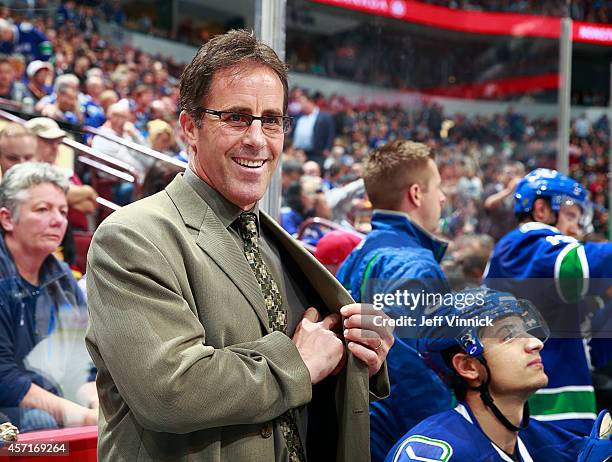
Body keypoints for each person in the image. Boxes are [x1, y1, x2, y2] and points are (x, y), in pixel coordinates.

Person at [86, 30, 392, 461]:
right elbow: (170, 390)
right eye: (235, 117)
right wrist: (298, 364)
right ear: (190, 128)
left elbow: (312, 358)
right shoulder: (133, 236)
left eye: (271, 119)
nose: (257, 138)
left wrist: (356, 351)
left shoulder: (271, 238)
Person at [386, 288, 611, 462]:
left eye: (526, 331)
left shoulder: (554, 444)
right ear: (468, 366)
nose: (534, 343)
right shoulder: (431, 453)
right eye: (508, 335)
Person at [337, 140, 452, 462]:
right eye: (437, 188)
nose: (442, 198)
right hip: (401, 437)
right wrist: (442, 433)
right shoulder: (413, 263)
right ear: (416, 194)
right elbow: (408, 365)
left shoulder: (361, 252)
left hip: (365, 425)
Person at [484, 168, 612, 435]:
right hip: (541, 413)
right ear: (541, 210)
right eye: (571, 216)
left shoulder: (536, 259)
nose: (576, 228)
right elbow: (580, 266)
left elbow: (596, 349)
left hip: (555, 406)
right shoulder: (522, 244)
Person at [0, 162, 97, 432]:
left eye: (63, 211)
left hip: (47, 401)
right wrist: (76, 414)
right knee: (38, 422)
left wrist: (96, 405)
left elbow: (81, 367)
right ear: (7, 218)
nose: (58, 220)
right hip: (11, 410)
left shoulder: (64, 279)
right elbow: (3, 378)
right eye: (42, 210)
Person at [292, 91, 335, 169]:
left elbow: (330, 134)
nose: (300, 105)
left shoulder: (324, 116)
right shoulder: (299, 117)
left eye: (302, 102)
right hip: (299, 152)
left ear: (310, 102)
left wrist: (327, 148)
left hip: (317, 153)